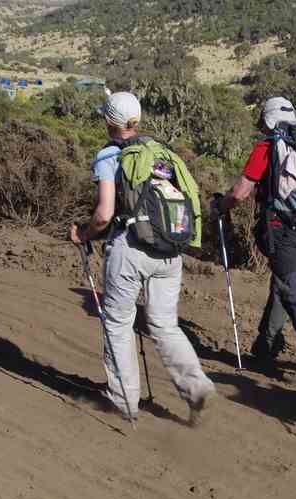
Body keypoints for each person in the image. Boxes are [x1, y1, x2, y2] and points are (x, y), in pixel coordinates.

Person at [69, 91, 215, 426]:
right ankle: (197, 388)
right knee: (165, 325)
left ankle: (123, 401)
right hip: (169, 252)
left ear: (109, 121)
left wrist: (83, 234)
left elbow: (105, 215)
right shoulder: (163, 153)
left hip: (130, 250)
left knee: (119, 323)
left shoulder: (109, 155)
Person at [214, 97, 296, 387]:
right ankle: (265, 345)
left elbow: (241, 192)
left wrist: (220, 207)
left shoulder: (269, 146)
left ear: (268, 121)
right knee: (284, 283)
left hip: (282, 231)